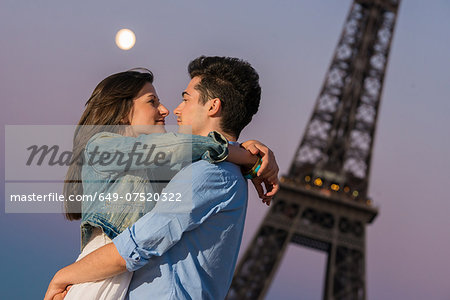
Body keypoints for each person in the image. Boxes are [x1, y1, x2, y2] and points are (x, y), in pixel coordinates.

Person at [45, 56, 279, 300]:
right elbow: (172, 148)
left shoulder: (208, 173)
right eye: (153, 102)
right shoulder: (104, 148)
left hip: (112, 269)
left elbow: (139, 242)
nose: (171, 109)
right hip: (103, 269)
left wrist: (63, 276)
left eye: (185, 99)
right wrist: (242, 155)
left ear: (212, 106)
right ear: (124, 111)